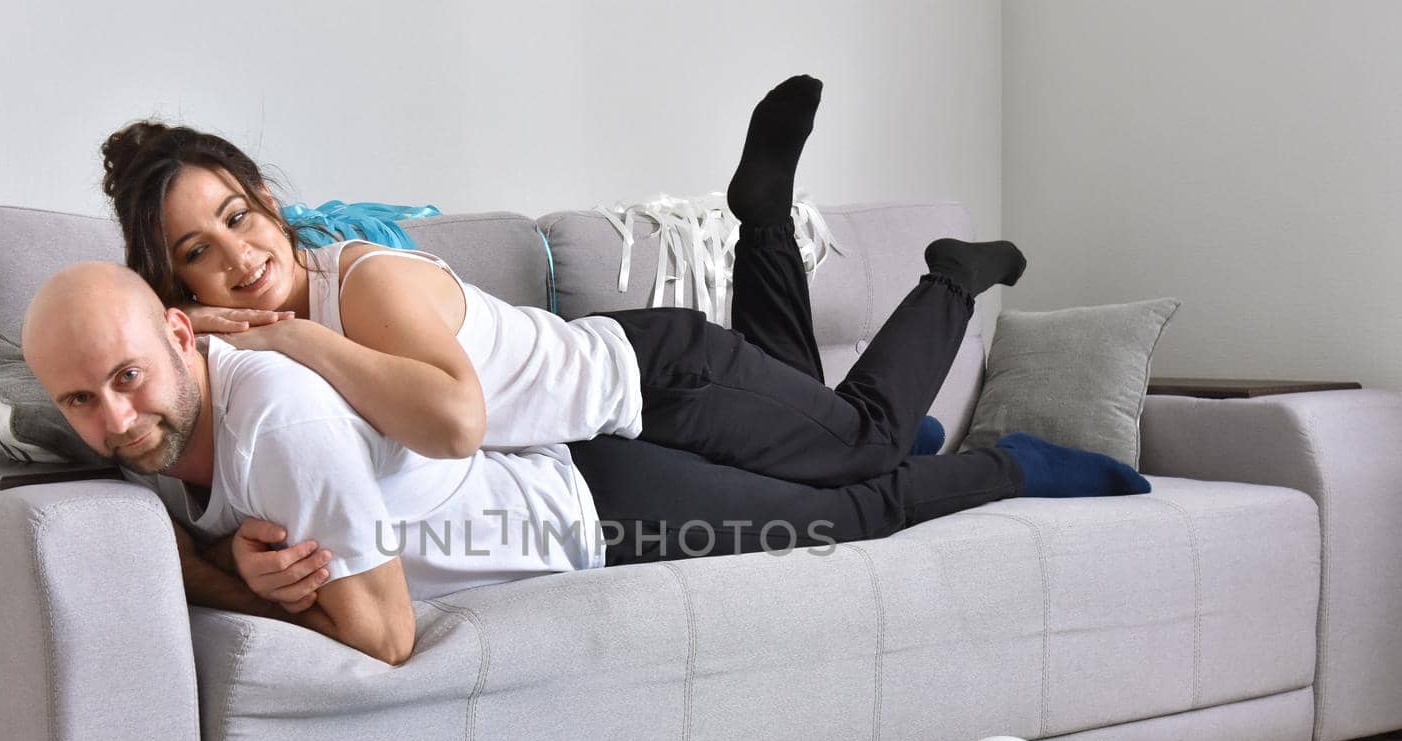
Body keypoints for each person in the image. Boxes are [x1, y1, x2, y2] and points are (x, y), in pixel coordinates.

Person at [20, 259, 1148, 666]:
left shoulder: (281, 413)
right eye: (79, 399)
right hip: (584, 461)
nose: (113, 421)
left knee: (847, 509)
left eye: (125, 379)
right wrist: (222, 553)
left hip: (595, 501)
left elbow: (383, 637)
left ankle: (1006, 460)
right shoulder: (155, 443)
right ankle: (920, 440)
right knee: (837, 467)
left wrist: (208, 571)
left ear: (183, 331)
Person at [97, 75, 1028, 488]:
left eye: (235, 218)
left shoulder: (362, 283)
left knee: (865, 445)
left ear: (266, 200)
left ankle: (951, 277)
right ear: (174, 288)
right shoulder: (234, 349)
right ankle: (763, 218)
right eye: (194, 254)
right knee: (813, 402)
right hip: (642, 387)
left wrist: (299, 338)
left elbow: (456, 423)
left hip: (664, 385)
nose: (236, 259)